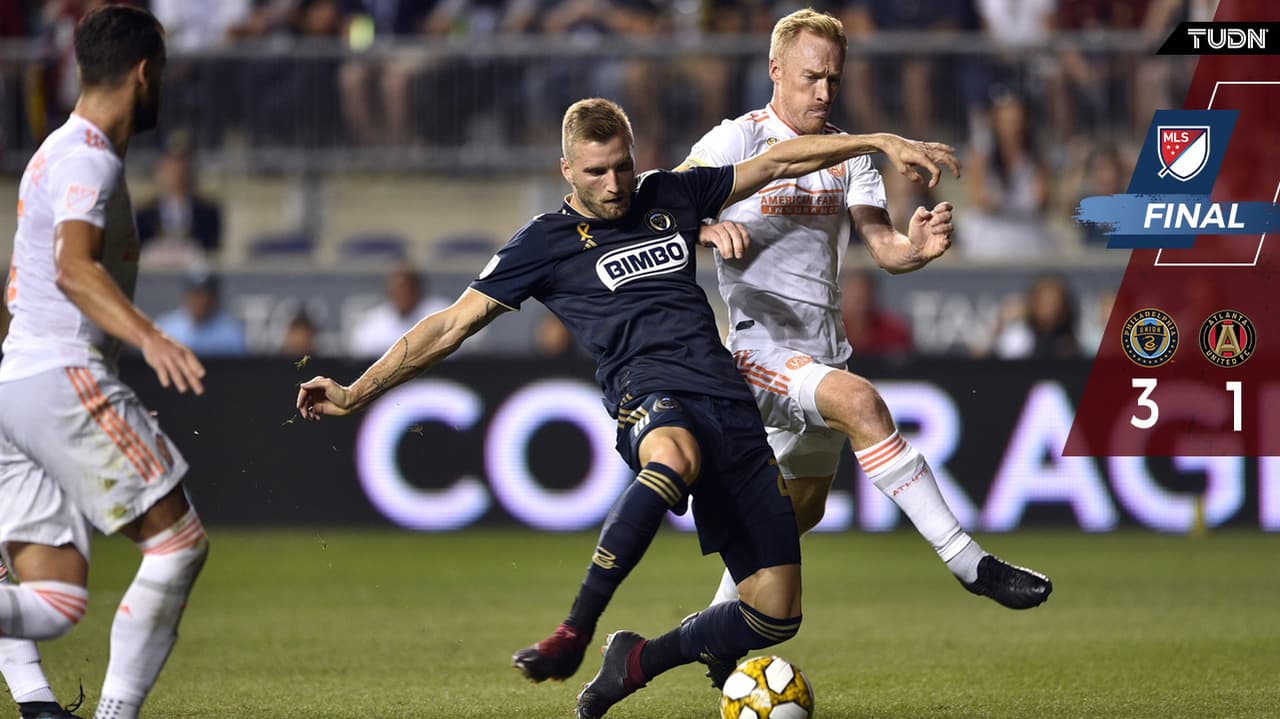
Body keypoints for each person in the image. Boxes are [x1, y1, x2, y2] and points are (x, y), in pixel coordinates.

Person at [296, 97, 955, 719]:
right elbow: (447, 326)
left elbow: (777, 162)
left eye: (622, 166)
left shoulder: (671, 194)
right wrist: (357, 391)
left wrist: (878, 141)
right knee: (671, 456)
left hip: (729, 401)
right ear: (566, 171)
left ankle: (635, 657)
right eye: (596, 172)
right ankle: (574, 629)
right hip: (649, 393)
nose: (613, 184)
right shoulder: (544, 242)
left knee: (775, 614)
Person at [679, 8, 1051, 684]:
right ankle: (970, 562)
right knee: (865, 405)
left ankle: (713, 632)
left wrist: (918, 248)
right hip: (758, 349)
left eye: (833, 80)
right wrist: (704, 230)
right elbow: (662, 201)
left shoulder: (851, 157)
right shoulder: (734, 140)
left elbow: (883, 247)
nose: (824, 92)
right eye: (811, 77)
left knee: (800, 511)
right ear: (776, 72)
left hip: (822, 348)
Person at [0, 8, 209, 719]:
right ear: (146, 72)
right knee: (178, 544)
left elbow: (20, 280)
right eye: (165, 75)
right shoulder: (87, 156)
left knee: (53, 602)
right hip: (59, 374)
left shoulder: (53, 152)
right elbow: (70, 269)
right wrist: (150, 337)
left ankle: (35, 701)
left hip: (22, 382)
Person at [346, 266, 450, 358]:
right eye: (397, 291)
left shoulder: (440, 313)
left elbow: (456, 355)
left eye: (406, 290)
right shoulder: (373, 323)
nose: (402, 296)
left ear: (417, 290)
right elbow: (360, 358)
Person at [155, 270, 247, 357]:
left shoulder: (231, 332)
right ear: (186, 295)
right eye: (196, 293)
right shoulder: (165, 329)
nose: (202, 300)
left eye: (207, 295)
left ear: (215, 297)